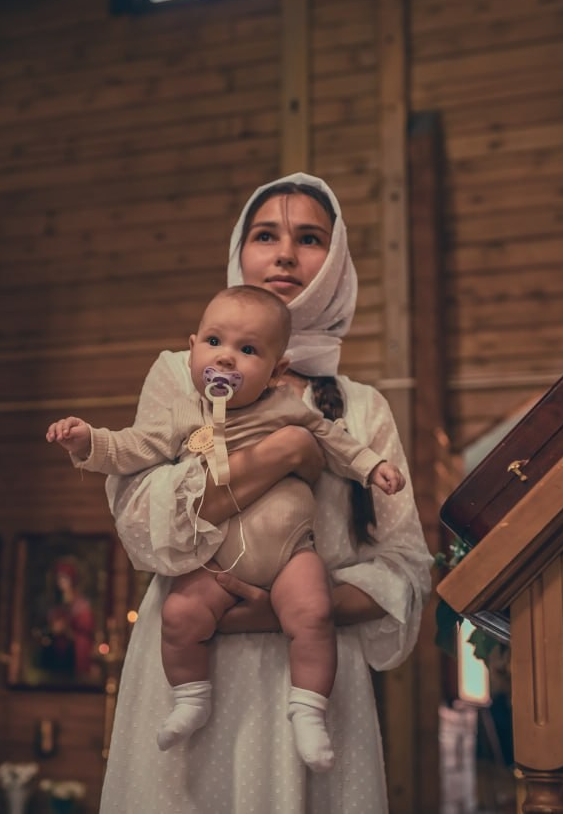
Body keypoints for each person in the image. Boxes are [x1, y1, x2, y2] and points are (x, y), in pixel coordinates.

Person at [96, 172, 433, 813]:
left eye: (308, 238)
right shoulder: (182, 373)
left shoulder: (362, 409)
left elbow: (407, 568)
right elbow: (141, 523)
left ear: (335, 262)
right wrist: (282, 453)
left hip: (314, 676)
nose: (284, 255)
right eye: (265, 236)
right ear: (239, 250)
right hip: (185, 661)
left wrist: (290, 608)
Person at [47, 285, 405, 770]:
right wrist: (87, 442)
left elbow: (333, 440)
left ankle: (309, 710)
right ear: (192, 348)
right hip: (215, 560)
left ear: (276, 372)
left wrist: (372, 467)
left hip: (290, 554)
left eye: (248, 350)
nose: (226, 357)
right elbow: (132, 447)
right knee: (179, 615)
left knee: (314, 610)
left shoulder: (284, 406)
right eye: (214, 342)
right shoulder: (183, 414)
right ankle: (191, 698)